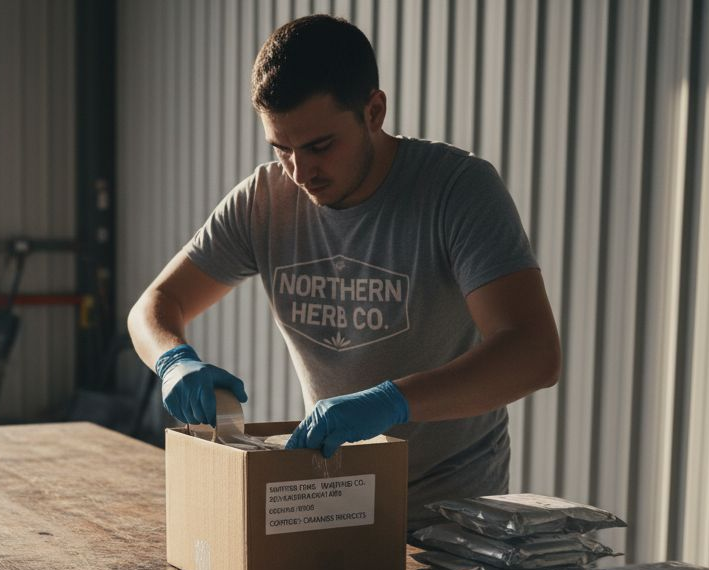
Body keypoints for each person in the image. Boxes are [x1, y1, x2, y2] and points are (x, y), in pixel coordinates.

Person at [128, 14, 561, 526]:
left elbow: (533, 353)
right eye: (281, 148)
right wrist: (173, 360)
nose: (300, 171)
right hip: (334, 498)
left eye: (320, 146)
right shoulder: (264, 201)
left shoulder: (456, 190)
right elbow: (154, 306)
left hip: (452, 516)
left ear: (373, 111)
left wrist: (392, 401)